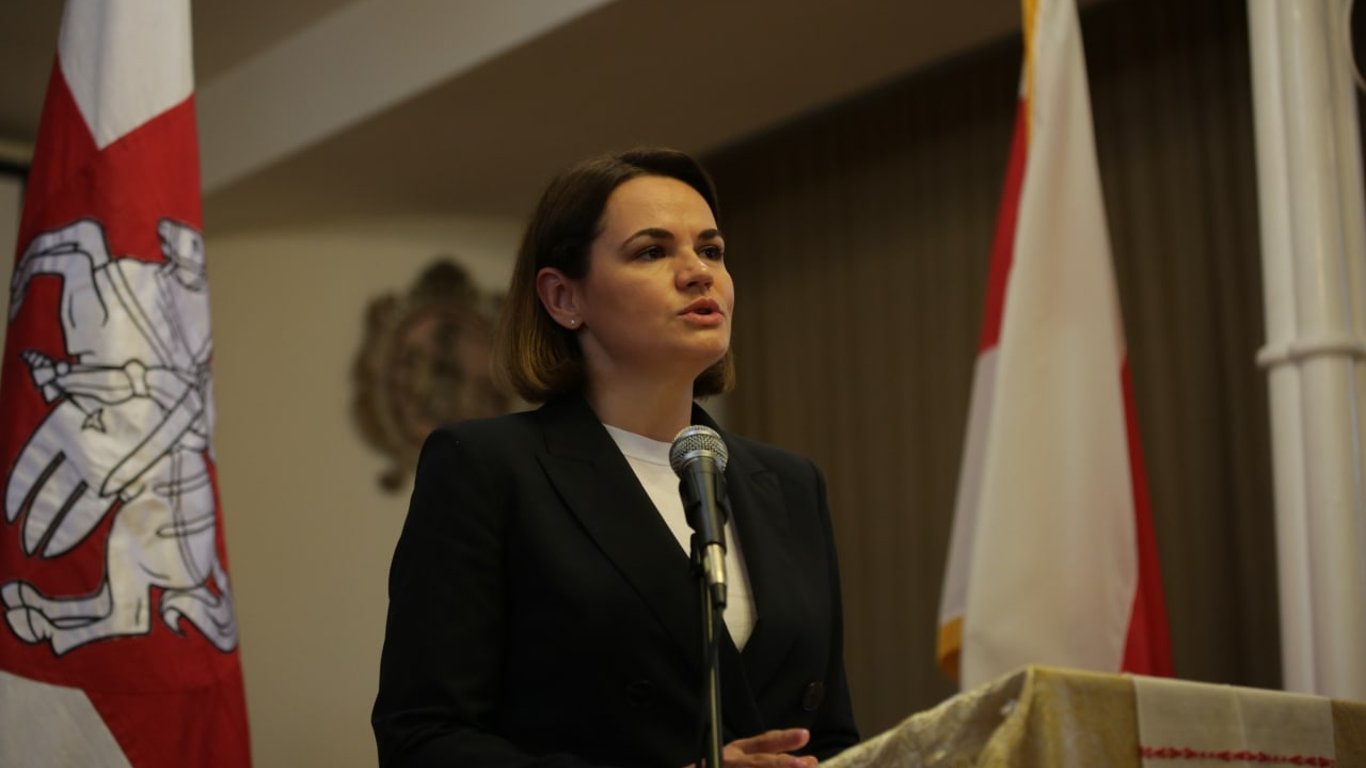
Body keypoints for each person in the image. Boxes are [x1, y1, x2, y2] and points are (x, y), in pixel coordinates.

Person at [372, 148, 859, 767]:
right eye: (652, 251)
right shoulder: (487, 468)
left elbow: (832, 736)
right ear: (563, 298)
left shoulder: (790, 484)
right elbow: (422, 738)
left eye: (711, 250)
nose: (698, 273)